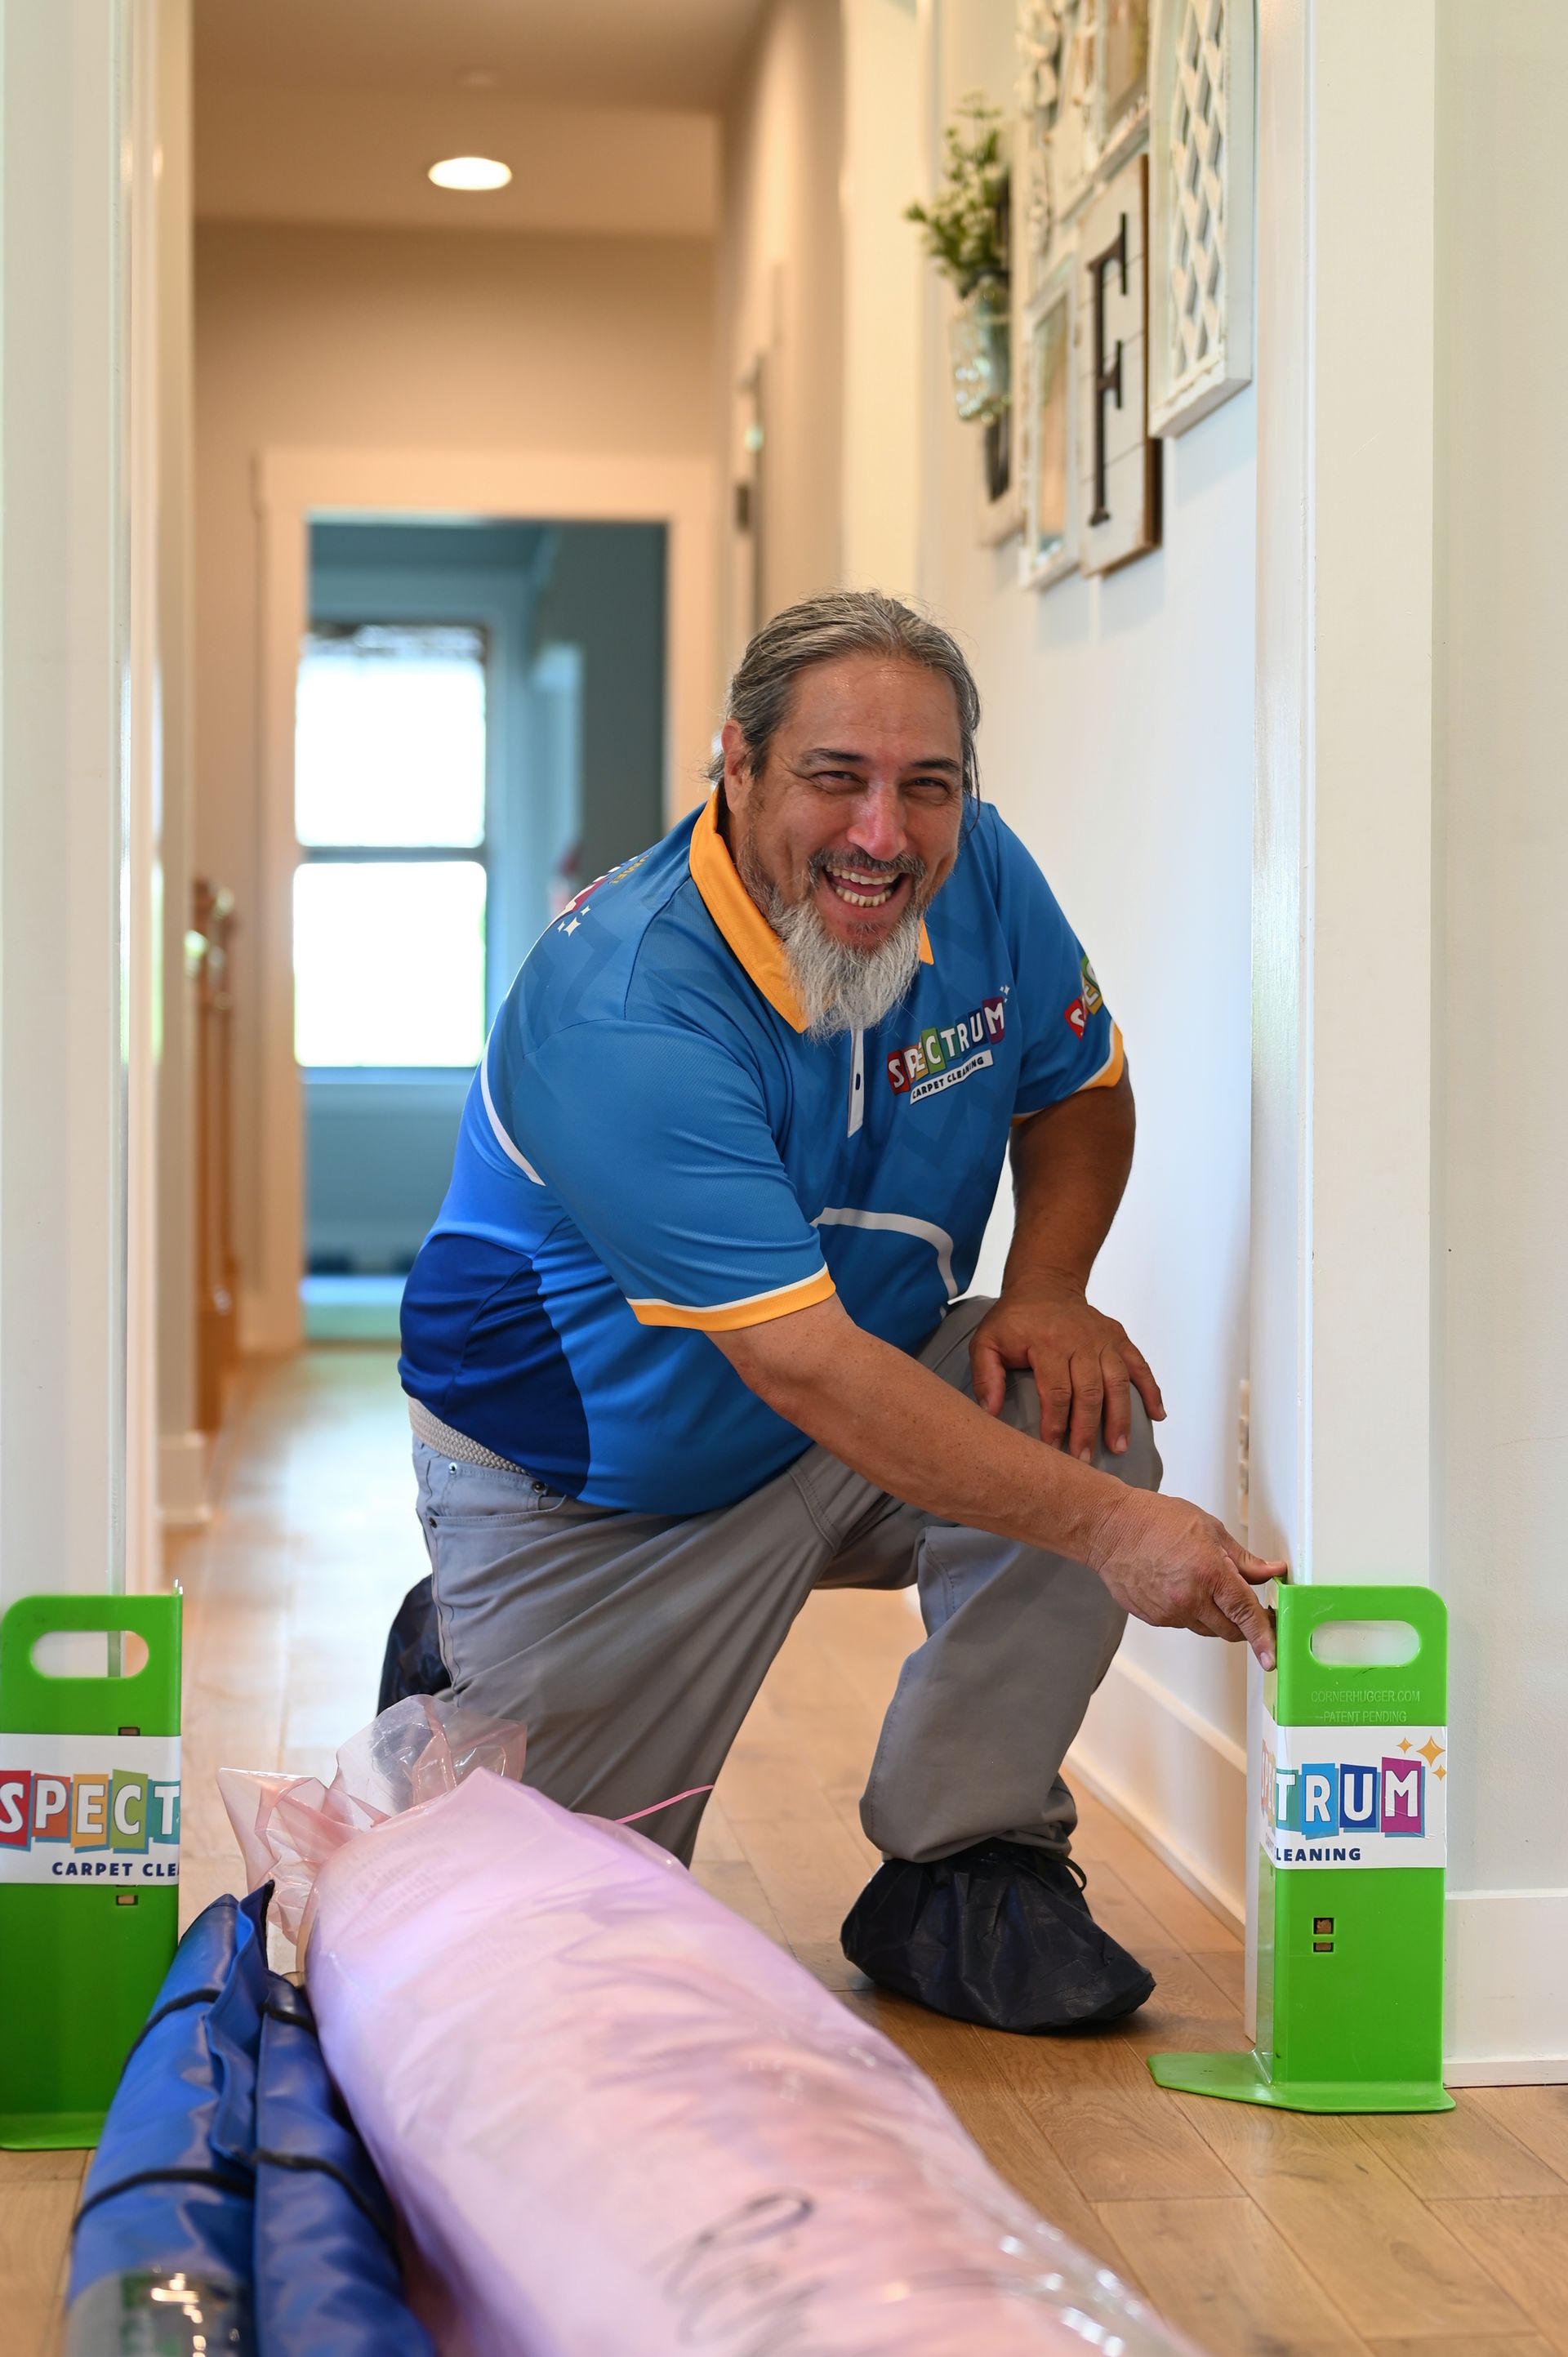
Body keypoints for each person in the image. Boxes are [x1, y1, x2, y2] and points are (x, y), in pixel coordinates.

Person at [396, 590, 1281, 2033]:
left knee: (1077, 1412)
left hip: (849, 1391)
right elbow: (798, 1362)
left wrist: (1049, 1290)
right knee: (541, 1963)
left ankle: (963, 1864)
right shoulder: (624, 1004)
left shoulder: (978, 871)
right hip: (594, 1491)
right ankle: (464, 1645)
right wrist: (1117, 1532)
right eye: (836, 777)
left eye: (927, 784)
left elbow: (1081, 1084)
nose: (884, 833)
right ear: (738, 766)